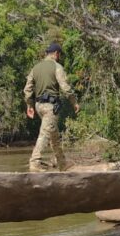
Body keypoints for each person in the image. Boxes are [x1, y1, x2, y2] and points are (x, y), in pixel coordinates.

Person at [22, 43, 79, 172]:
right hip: (50, 107)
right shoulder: (56, 66)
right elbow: (65, 87)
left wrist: (29, 105)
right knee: (45, 134)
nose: (59, 57)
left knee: (53, 135)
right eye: (59, 55)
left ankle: (62, 163)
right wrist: (74, 102)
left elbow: (28, 89)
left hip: (38, 106)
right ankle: (35, 162)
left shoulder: (35, 68)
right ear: (56, 53)